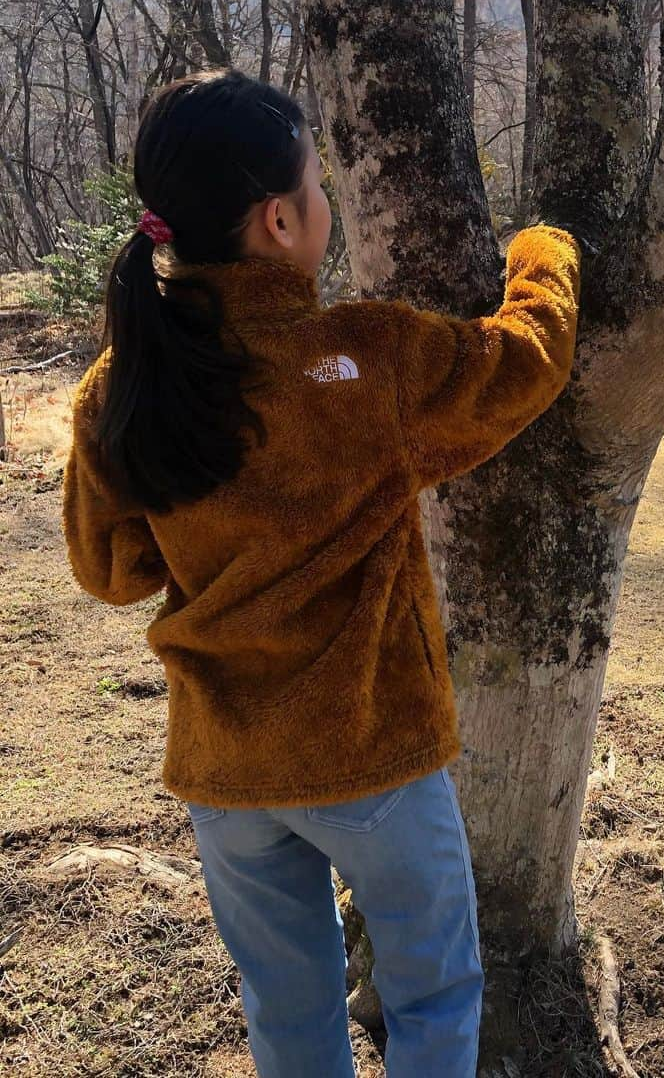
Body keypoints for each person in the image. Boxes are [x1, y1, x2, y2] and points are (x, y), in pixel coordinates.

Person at [60, 67, 582, 1078]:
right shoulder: (367, 361)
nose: (326, 195)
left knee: (287, 1011)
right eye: (317, 177)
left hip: (225, 773)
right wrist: (544, 251)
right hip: (371, 756)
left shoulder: (119, 387)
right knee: (434, 995)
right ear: (280, 221)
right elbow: (527, 360)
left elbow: (111, 570)